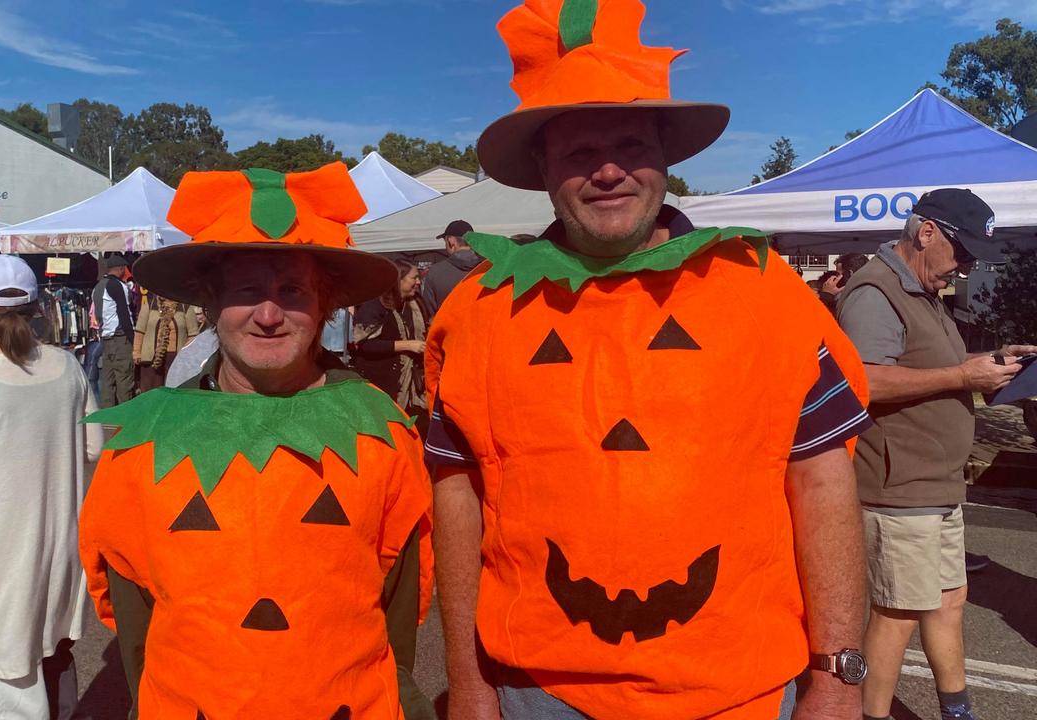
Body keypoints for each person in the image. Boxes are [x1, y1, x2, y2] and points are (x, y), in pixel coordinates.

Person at [425, 2, 874, 718]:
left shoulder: (764, 293)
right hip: (539, 691)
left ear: (665, 154)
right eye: (577, 153)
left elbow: (822, 483)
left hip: (743, 690)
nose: (607, 171)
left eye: (629, 144)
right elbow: (458, 500)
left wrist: (840, 678)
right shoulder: (480, 311)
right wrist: (469, 682)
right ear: (543, 169)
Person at [79, 162, 434, 719]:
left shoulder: (381, 432)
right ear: (211, 303)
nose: (269, 315)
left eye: (291, 291)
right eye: (248, 291)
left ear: (324, 305)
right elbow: (135, 627)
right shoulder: (143, 447)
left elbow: (398, 609)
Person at [835, 189, 1037, 720]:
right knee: (897, 614)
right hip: (900, 486)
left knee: (948, 602)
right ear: (927, 233)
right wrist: (962, 376)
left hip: (937, 483)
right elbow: (867, 380)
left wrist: (989, 360)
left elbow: (928, 361)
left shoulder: (922, 289)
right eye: (962, 252)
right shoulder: (874, 291)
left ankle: (957, 711)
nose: (965, 267)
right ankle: (870, 715)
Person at [0, 254, 101, 720]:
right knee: (56, 641)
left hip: (6, 546)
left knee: (14, 661)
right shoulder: (68, 368)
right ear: (40, 308)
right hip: (62, 537)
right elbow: (92, 448)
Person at [353, 260, 430, 435]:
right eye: (414, 278)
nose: (418, 282)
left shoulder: (416, 303)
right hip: (383, 380)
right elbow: (365, 345)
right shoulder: (374, 305)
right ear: (399, 280)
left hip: (413, 382)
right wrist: (408, 345)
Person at [91, 255, 135, 406]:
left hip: (106, 339)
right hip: (120, 338)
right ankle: (126, 417)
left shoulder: (97, 287)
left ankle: (106, 418)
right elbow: (124, 314)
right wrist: (133, 340)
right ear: (121, 269)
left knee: (107, 381)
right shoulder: (117, 286)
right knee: (124, 379)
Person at [132, 293, 199, 392]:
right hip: (151, 359)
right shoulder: (150, 305)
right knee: (151, 393)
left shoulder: (185, 307)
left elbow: (193, 335)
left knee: (174, 393)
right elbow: (140, 331)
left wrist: (187, 354)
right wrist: (136, 352)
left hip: (176, 360)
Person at [421, 219, 480, 317]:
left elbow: (429, 314)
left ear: (451, 241)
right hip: (483, 330)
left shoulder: (435, 272)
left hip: (449, 331)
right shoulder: (488, 269)